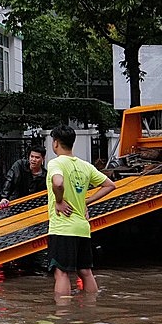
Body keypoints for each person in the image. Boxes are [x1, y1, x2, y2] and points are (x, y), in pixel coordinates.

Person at [46, 124, 116, 300]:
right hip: (83, 228)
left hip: (62, 227)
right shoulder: (85, 166)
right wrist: (86, 201)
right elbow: (110, 185)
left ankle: (63, 316)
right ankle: (91, 308)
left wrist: (60, 201)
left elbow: (58, 183)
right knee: (85, 271)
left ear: (55, 143)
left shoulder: (55, 163)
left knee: (61, 273)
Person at [0, 144, 47, 209]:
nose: (33, 160)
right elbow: (10, 180)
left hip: (34, 208)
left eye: (37, 157)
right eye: (32, 156)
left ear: (43, 158)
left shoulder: (45, 175)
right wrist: (4, 197)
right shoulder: (20, 165)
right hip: (16, 203)